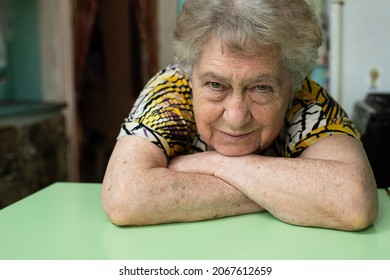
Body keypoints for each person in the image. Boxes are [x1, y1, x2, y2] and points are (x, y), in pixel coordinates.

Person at [102, 0, 378, 230]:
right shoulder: (171, 91)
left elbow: (353, 200)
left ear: (293, 82)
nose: (236, 117)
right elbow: (125, 197)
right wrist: (288, 194)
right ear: (189, 73)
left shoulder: (305, 98)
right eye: (215, 85)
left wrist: (216, 164)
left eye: (261, 88)